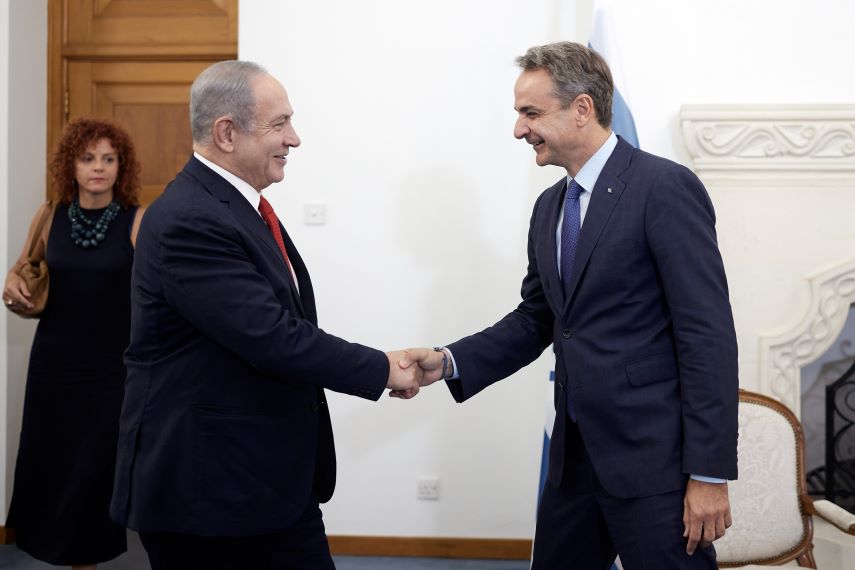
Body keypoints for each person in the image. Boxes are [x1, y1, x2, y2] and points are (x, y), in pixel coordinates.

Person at [398, 42, 738, 569]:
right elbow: (537, 319)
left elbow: (707, 337)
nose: (519, 129)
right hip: (573, 461)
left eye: (530, 113)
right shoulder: (550, 206)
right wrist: (448, 362)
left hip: (653, 465)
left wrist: (709, 474)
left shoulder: (664, 188)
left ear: (582, 108)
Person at [109, 60, 421, 570]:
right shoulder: (190, 218)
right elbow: (272, 336)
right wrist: (383, 367)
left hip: (259, 482)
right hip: (211, 493)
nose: (294, 139)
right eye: (280, 124)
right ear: (226, 133)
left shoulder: (235, 208)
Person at [4, 118, 145, 570]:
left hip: (109, 369)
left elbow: (156, 291)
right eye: (87, 158)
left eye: (108, 158)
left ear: (121, 166)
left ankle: (86, 561)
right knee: (53, 461)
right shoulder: (50, 214)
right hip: (53, 365)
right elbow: (23, 268)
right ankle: (57, 553)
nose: (98, 167)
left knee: (93, 469)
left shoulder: (136, 220)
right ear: (72, 165)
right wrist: (12, 282)